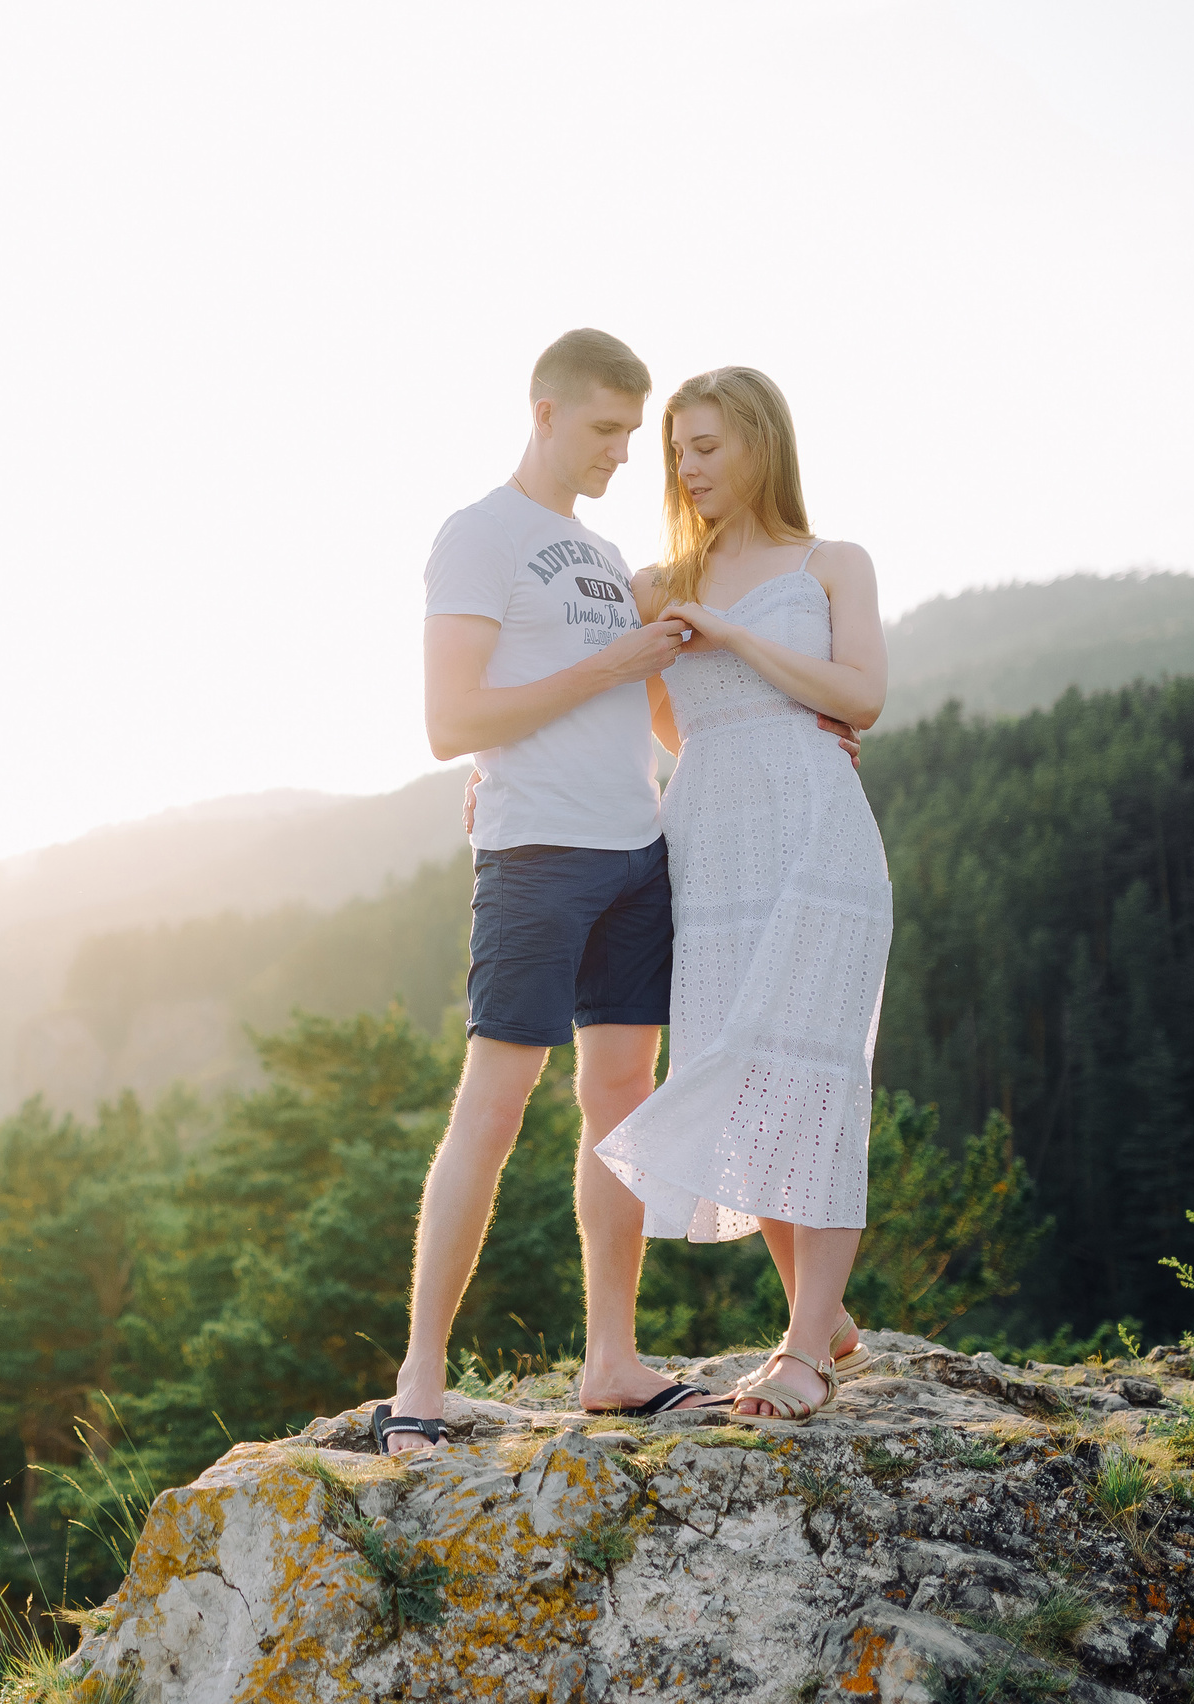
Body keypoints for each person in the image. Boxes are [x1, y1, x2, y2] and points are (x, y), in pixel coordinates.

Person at [380, 330, 860, 1454]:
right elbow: (452, 722)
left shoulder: (603, 556)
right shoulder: (477, 536)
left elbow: (653, 713)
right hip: (536, 859)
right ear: (543, 412)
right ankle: (420, 1379)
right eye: (604, 430)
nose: (621, 454)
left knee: (622, 1114)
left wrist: (787, 742)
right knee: (491, 1114)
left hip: (640, 858)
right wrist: (606, 670)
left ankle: (611, 1361)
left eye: (631, 435)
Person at [593, 365, 893, 1422]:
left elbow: (861, 694)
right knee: (741, 1079)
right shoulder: (656, 580)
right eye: (677, 449)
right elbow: (643, 714)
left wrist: (739, 646)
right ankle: (828, 1316)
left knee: (814, 1073)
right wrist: (493, 782)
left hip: (820, 839)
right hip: (709, 845)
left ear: (760, 441)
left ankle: (805, 1350)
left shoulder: (829, 563)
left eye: (706, 445)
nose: (685, 466)